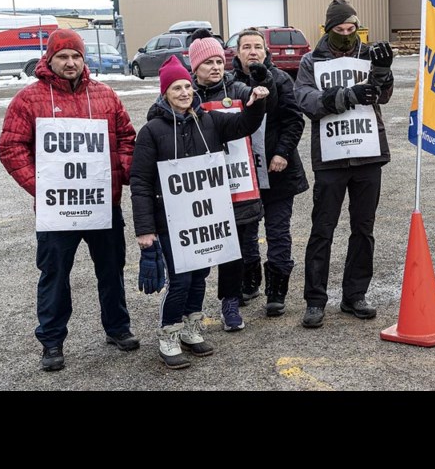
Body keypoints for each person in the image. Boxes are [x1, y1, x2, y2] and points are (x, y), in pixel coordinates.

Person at [0, 29, 139, 372]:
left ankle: (117, 328)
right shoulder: (28, 99)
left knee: (111, 270)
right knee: (54, 274)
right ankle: (51, 340)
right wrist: (42, 186)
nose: (71, 62)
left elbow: (127, 140)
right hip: (56, 210)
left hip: (103, 204)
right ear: (50, 60)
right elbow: (11, 147)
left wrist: (114, 176)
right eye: (63, 56)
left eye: (76, 56)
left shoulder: (105, 96)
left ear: (83, 59)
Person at [130, 55, 269, 369]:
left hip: (205, 217)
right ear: (165, 93)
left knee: (200, 277)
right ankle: (169, 334)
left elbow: (244, 124)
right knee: (180, 280)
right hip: (170, 219)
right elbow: (139, 180)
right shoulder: (151, 131)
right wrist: (144, 229)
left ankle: (191, 328)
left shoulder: (209, 120)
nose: (183, 92)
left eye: (187, 87)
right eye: (176, 88)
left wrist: (257, 102)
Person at [293, 0, 394, 328]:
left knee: (363, 229)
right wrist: (345, 96)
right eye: (341, 29)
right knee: (323, 229)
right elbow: (306, 100)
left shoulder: (366, 54)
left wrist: (383, 71)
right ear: (328, 29)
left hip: (367, 154)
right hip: (331, 158)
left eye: (353, 29)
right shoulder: (311, 61)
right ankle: (315, 300)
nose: (348, 35)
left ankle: (354, 295)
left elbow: (383, 95)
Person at [186, 30, 275, 332]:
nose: (214, 67)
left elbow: (251, 119)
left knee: (233, 250)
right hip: (198, 189)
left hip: (238, 185)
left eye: (218, 61)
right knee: (197, 252)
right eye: (207, 62)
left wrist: (258, 95)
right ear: (194, 67)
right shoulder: (184, 93)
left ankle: (230, 302)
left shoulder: (237, 89)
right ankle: (190, 311)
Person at [231, 28, 309, 317]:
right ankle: (249, 282)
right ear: (237, 53)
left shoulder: (281, 79)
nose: (252, 51)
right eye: (246, 47)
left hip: (277, 171)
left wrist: (282, 153)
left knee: (278, 232)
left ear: (266, 52)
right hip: (242, 175)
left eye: (257, 47)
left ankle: (276, 291)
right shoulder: (230, 84)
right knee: (246, 233)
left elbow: (293, 120)